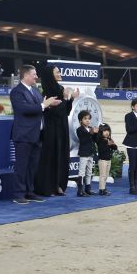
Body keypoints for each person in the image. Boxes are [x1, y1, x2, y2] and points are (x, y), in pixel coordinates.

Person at [9, 64, 61, 204]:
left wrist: (49, 105)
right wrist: (44, 105)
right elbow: (23, 109)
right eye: (34, 75)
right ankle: (18, 194)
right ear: (26, 75)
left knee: (32, 166)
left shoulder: (36, 91)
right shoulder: (17, 92)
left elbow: (39, 108)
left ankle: (29, 192)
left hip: (37, 135)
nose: (36, 77)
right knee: (22, 166)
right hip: (23, 135)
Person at [34, 64, 78, 196]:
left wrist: (71, 99)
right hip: (51, 129)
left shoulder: (60, 88)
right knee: (51, 157)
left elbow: (66, 111)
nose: (60, 74)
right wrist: (66, 98)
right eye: (57, 72)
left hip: (62, 127)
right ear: (50, 75)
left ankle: (59, 185)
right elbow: (55, 112)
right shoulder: (47, 91)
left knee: (61, 156)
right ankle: (48, 187)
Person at [75, 110, 98, 197]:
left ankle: (88, 189)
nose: (88, 120)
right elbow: (83, 140)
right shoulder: (79, 129)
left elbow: (94, 140)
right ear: (80, 121)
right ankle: (80, 190)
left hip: (91, 153)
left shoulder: (91, 128)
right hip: (84, 154)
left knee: (89, 172)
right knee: (81, 172)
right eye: (85, 119)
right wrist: (91, 133)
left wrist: (96, 133)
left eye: (89, 119)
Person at [95, 123, 118, 196]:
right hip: (102, 160)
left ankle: (104, 188)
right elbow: (102, 150)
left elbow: (115, 148)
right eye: (105, 130)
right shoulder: (100, 140)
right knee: (103, 175)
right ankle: (101, 189)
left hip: (108, 160)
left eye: (108, 130)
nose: (107, 132)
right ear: (101, 131)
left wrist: (112, 144)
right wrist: (107, 144)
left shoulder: (109, 139)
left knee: (106, 175)